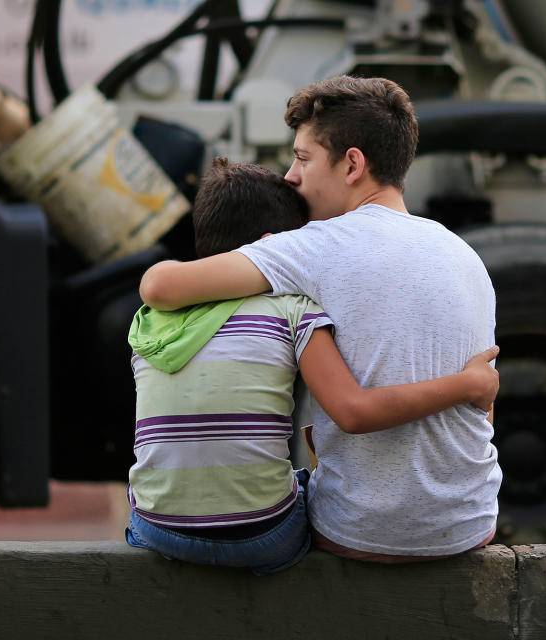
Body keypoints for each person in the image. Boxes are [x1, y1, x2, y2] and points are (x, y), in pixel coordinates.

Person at [139, 76, 501, 562]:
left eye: (303, 158)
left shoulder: (311, 246)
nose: (290, 176)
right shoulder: (465, 256)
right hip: (469, 526)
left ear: (352, 164)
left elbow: (160, 288)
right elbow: (481, 414)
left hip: (357, 535)